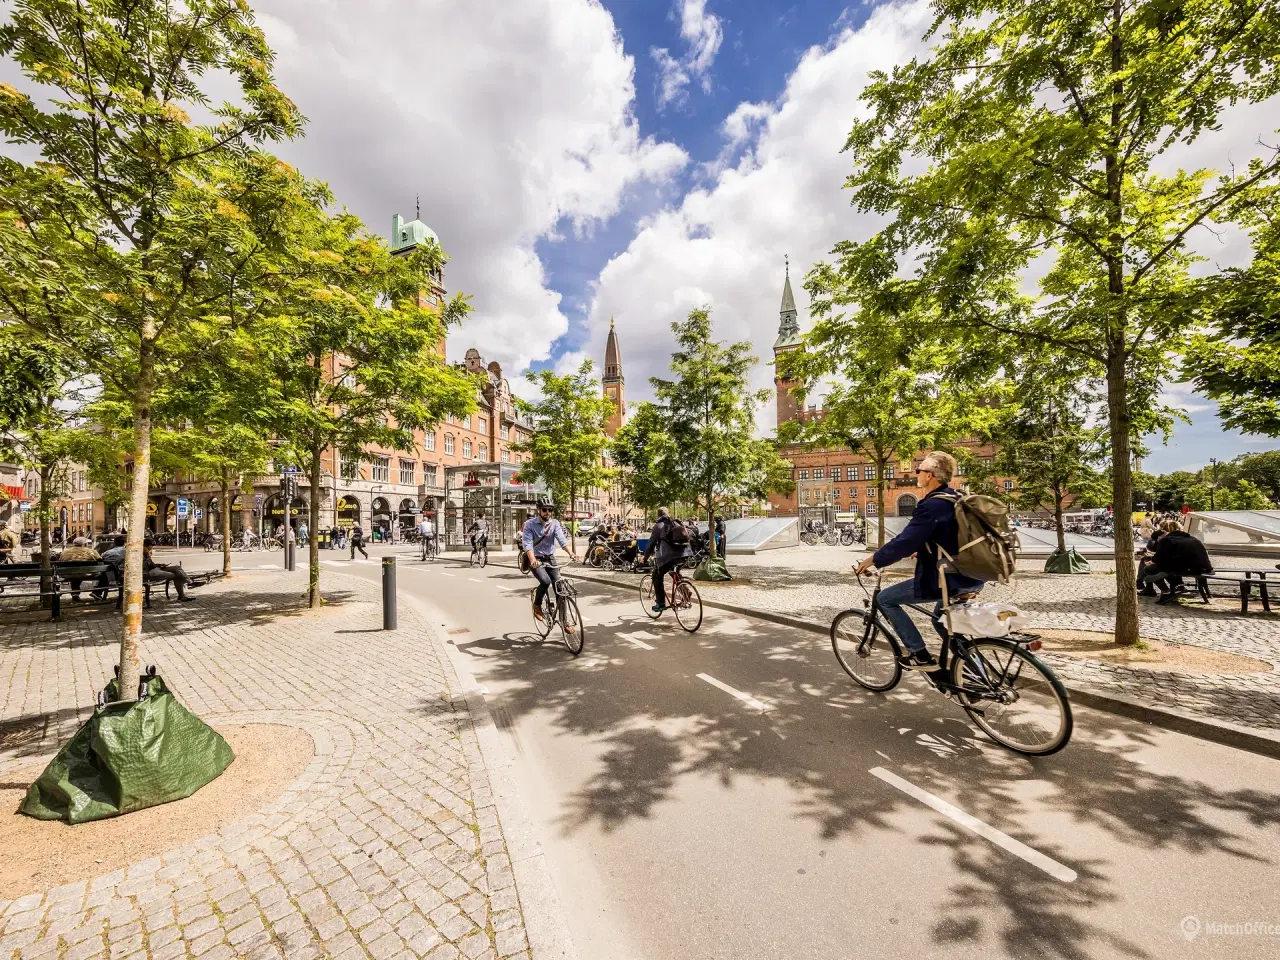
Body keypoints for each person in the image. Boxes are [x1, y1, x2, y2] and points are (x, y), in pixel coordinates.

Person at [853, 452, 986, 669]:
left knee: (885, 600)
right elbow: (949, 538)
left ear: (931, 475)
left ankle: (919, 654)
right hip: (974, 574)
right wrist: (924, 549)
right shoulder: (956, 498)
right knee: (942, 621)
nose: (916, 474)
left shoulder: (932, 505)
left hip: (949, 579)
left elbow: (905, 541)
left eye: (919, 470)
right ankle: (976, 676)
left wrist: (874, 559)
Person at [522, 503, 578, 623]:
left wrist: (571, 554)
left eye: (550, 510)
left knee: (560, 588)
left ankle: (564, 621)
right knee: (545, 581)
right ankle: (537, 605)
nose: (548, 512)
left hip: (550, 557)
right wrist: (533, 560)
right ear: (539, 510)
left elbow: (562, 540)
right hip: (536, 559)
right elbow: (527, 544)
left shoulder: (555, 523)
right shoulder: (529, 524)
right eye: (545, 509)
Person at [1143, 522, 1212, 604]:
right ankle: (1177, 586)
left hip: (1186, 569)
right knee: (1168, 568)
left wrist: (1151, 562)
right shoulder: (1193, 539)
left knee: (1149, 569)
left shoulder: (1166, 540)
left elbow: (1158, 559)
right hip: (1204, 567)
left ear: (1165, 532)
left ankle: (1166, 591)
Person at [640, 507, 692, 613]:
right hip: (685, 554)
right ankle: (685, 591)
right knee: (674, 572)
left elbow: (651, 545)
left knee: (656, 575)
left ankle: (660, 604)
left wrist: (644, 558)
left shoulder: (658, 526)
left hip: (669, 557)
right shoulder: (676, 524)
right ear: (668, 514)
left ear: (658, 516)